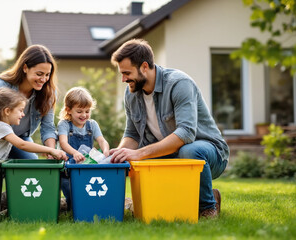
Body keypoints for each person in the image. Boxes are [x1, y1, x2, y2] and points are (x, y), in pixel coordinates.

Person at [109, 39, 229, 218]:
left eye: (127, 73)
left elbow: (186, 133)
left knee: (188, 151)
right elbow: (132, 134)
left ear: (144, 67)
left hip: (208, 153)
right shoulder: (131, 93)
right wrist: (118, 155)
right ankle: (205, 195)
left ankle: (207, 207)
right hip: (169, 154)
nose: (123, 79)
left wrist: (139, 153)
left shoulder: (179, 84)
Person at [0, 88, 67, 161]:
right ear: (7, 111)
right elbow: (22, 144)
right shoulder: (1, 127)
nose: (23, 114)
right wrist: (50, 150)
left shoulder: (1, 126)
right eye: (20, 110)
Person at [57, 86, 110, 210]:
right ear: (68, 110)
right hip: (68, 168)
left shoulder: (92, 125)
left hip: (86, 165)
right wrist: (75, 153)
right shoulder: (64, 124)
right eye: (79, 111)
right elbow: (63, 143)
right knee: (70, 191)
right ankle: (72, 209)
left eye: (87, 111)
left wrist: (106, 150)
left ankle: (87, 208)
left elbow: (101, 140)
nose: (84, 115)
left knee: (87, 189)